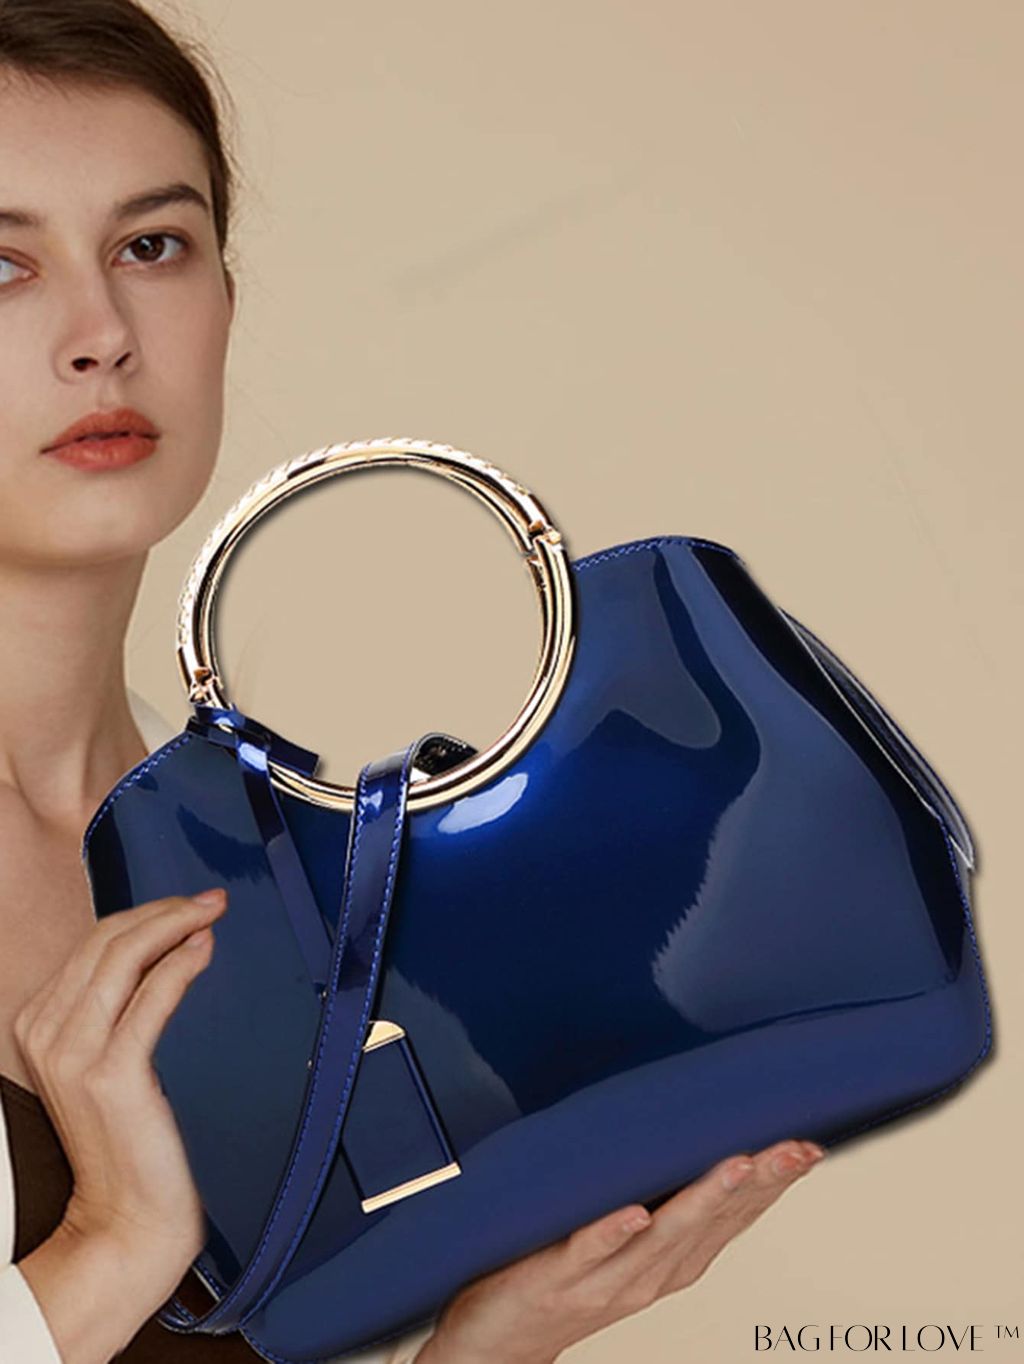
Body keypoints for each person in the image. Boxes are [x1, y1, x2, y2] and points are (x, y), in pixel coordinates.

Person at [0, 2, 828, 1361]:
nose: (103, 333)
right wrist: (116, 1244)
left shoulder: (272, 863)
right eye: (2, 265)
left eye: (152, 246)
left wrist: (486, 1342)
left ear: (225, 300)